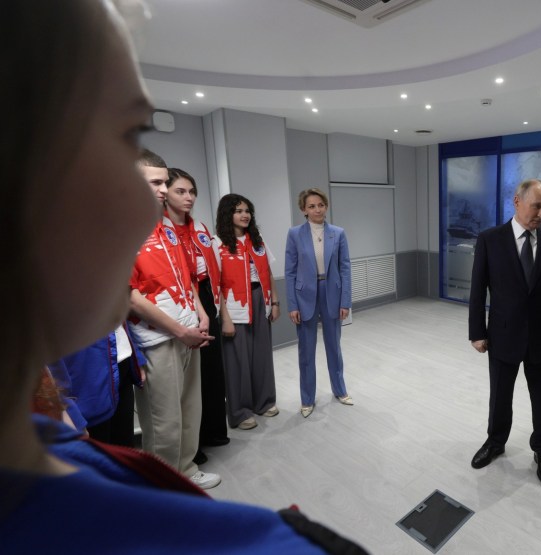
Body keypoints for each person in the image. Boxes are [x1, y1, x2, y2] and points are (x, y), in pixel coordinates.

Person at [0, 1, 365, 552]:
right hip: (186, 329)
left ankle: (203, 453)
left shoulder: (54, 434)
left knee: (186, 410)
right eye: (119, 136)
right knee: (168, 415)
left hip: (221, 318)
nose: (144, 206)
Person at [468, 178, 541, 486]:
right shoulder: (490, 239)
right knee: (500, 395)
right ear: (517, 202)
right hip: (503, 334)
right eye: (536, 206)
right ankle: (495, 442)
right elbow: (478, 290)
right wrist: (477, 331)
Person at [129, 148, 220, 489]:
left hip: (188, 330)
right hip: (159, 338)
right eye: (155, 183)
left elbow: (186, 277)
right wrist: (180, 331)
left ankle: (186, 468)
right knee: (163, 420)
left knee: (189, 408)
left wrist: (201, 313)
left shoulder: (164, 225)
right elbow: (129, 295)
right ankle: (163, 486)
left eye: (165, 182)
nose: (164, 190)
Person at [166, 167, 230, 462]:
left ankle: (214, 431)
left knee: (212, 371)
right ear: (165, 193)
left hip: (206, 297)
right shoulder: (161, 231)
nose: (188, 197)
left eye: (192, 191)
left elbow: (215, 270)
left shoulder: (200, 229)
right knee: (189, 381)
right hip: (181, 303)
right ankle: (192, 446)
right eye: (180, 191)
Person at [284, 188, 353, 418]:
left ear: (326, 206)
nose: (317, 210)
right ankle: (307, 399)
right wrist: (292, 305)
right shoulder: (295, 234)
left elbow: (345, 268)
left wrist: (345, 301)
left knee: (334, 347)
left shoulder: (338, 233)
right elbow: (290, 271)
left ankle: (340, 390)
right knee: (306, 351)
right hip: (305, 296)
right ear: (303, 210)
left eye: (320, 205)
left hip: (331, 293)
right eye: (311, 206)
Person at [215, 194, 280, 430]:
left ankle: (264, 402)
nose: (245, 215)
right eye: (238, 211)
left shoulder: (257, 241)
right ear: (227, 214)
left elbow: (268, 273)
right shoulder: (217, 244)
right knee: (237, 361)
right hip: (234, 305)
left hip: (260, 299)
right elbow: (216, 284)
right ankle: (240, 412)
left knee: (262, 355)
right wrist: (225, 318)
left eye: (247, 211)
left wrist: (275, 302)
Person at [51, 324, 146, 447]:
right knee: (98, 447)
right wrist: (65, 406)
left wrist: (135, 355)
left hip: (120, 362)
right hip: (84, 379)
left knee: (124, 447)